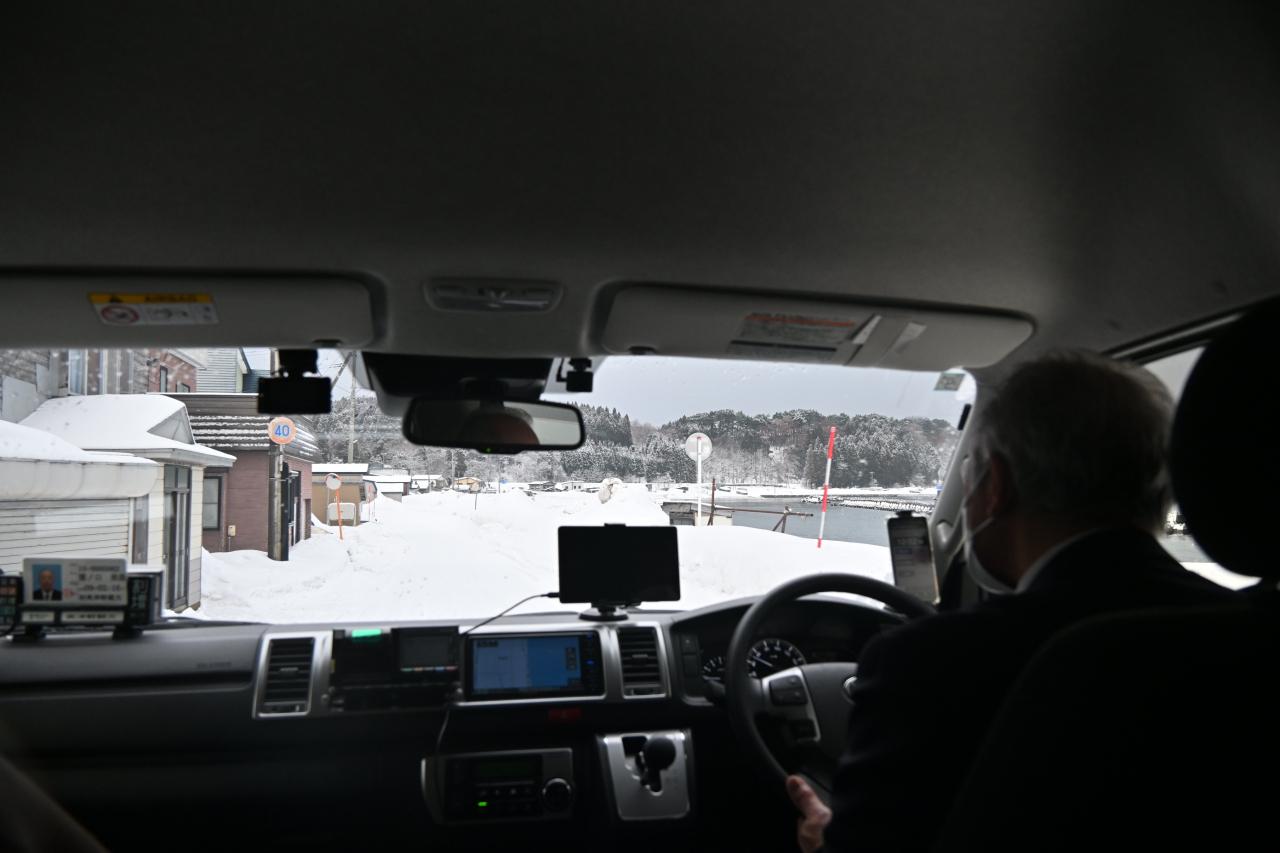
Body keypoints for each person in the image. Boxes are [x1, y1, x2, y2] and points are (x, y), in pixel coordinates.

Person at [786, 351, 1238, 853]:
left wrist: (825, 842)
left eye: (971, 478)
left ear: (995, 486)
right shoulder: (1247, 633)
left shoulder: (930, 663)